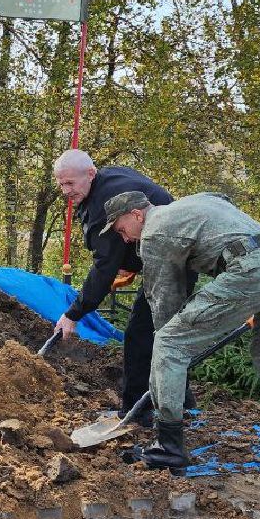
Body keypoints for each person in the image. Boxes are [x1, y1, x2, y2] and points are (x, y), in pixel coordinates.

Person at [106, 190, 260, 485]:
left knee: (169, 342)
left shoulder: (153, 233)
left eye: (121, 229)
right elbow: (224, 199)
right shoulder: (196, 201)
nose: (125, 238)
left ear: (137, 215)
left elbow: (164, 303)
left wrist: (168, 358)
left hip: (250, 269)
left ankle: (168, 447)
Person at [51, 150, 174, 411]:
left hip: (172, 260)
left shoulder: (105, 201)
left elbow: (104, 266)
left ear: (91, 174)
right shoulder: (108, 179)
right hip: (162, 255)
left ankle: (137, 411)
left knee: (141, 334)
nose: (65, 190)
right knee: (162, 332)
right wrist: (131, 261)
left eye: (70, 183)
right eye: (61, 184)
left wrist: (74, 314)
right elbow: (121, 243)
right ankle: (180, 402)